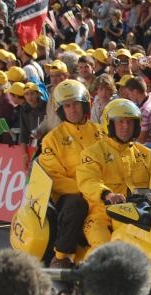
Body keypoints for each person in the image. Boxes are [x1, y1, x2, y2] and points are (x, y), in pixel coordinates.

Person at [38, 79, 101, 268]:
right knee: (77, 205)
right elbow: (54, 178)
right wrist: (87, 190)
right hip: (71, 195)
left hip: (102, 191)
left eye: (75, 104)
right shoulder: (51, 139)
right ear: (61, 110)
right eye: (67, 106)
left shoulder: (102, 133)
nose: (72, 109)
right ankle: (61, 256)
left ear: (84, 105)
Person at [76, 98, 151, 250]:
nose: (126, 127)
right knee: (104, 248)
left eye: (130, 122)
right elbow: (88, 181)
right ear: (109, 124)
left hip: (140, 213)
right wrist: (107, 195)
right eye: (121, 122)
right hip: (103, 214)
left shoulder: (146, 154)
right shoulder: (93, 153)